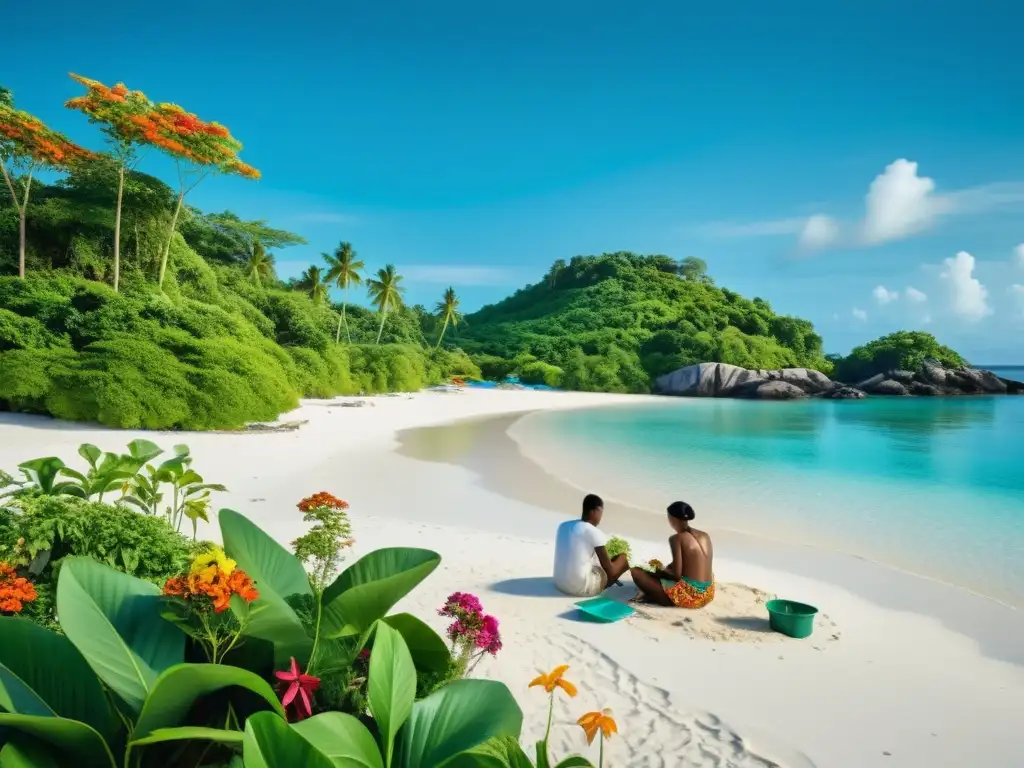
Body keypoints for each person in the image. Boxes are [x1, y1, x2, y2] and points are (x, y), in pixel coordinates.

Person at [630, 501, 715, 608]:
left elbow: (676, 575)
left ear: (672, 519)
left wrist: (659, 568)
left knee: (636, 572)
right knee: (666, 569)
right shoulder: (705, 535)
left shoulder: (676, 539)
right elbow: (691, 561)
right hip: (708, 594)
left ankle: (662, 599)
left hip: (692, 598)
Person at [552, 494, 629, 597]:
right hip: (579, 588)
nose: (601, 518)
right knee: (622, 558)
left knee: (596, 560)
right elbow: (609, 570)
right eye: (601, 513)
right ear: (596, 511)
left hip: (559, 583)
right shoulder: (593, 531)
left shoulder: (563, 525)